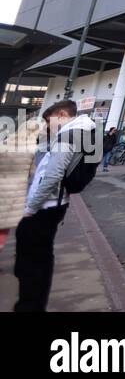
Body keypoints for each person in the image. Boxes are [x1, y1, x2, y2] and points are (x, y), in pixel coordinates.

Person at [13, 100, 98, 312]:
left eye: (48, 121)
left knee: (33, 264)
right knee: (39, 259)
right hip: (53, 205)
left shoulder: (69, 136)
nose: (47, 126)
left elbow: (52, 175)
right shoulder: (80, 133)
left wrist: (31, 208)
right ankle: (32, 305)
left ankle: (30, 307)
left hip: (45, 207)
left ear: (61, 114)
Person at [0, 112, 43, 266]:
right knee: (3, 227)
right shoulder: (31, 150)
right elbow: (33, 173)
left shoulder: (6, 143)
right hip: (15, 192)